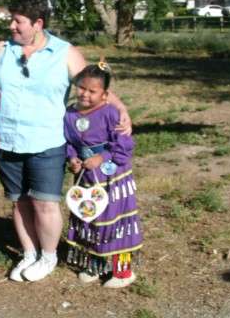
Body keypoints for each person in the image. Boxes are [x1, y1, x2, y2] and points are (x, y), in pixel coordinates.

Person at [0, 0, 132, 282]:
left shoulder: (63, 52)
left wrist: (121, 107)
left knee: (45, 203)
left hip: (47, 142)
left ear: (38, 23)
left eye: (18, 21)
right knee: (19, 202)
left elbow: (91, 84)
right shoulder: (0, 49)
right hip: (7, 140)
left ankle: (49, 256)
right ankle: (29, 253)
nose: (12, 26)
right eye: (11, 19)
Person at [63, 61, 142, 289]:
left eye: (92, 91)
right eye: (81, 87)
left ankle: (123, 269)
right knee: (90, 218)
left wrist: (103, 157)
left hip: (112, 179)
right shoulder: (69, 114)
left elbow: (124, 145)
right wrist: (72, 158)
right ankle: (95, 263)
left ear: (105, 93)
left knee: (117, 221)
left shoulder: (111, 113)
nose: (85, 94)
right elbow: (68, 142)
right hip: (86, 178)